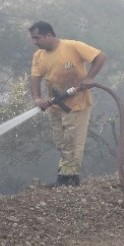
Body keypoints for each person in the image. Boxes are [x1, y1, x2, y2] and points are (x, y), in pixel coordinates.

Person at [29, 21, 107, 187]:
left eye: (37, 37)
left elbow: (100, 57)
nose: (35, 41)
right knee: (60, 141)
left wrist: (89, 78)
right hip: (55, 105)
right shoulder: (39, 56)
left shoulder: (72, 46)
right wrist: (37, 98)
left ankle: (69, 178)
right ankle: (64, 174)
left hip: (77, 103)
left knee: (72, 141)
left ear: (49, 35)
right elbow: (35, 77)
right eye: (33, 38)